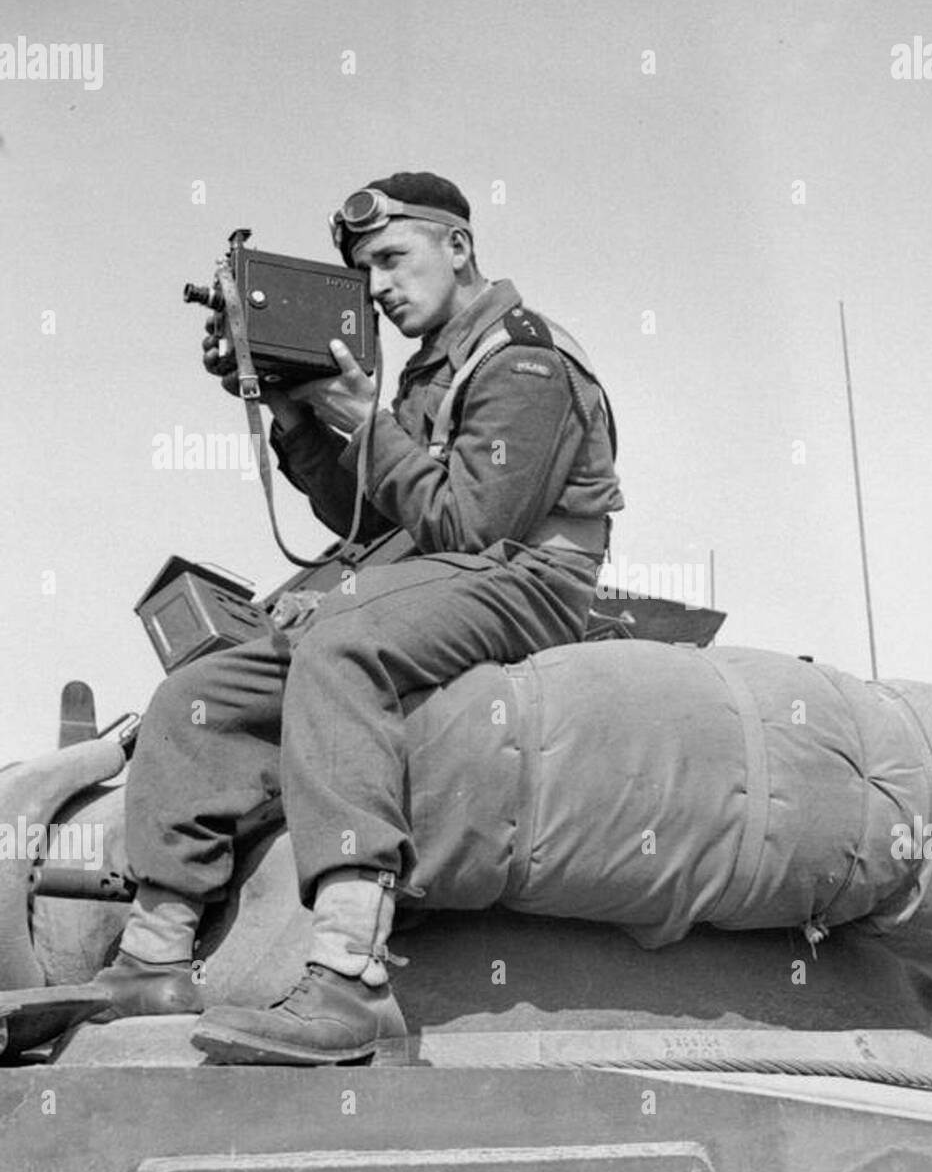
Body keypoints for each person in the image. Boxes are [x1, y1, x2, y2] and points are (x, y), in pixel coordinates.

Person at [95, 171, 624, 1063]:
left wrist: (368, 421)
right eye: (365, 271)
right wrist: (298, 416)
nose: (378, 286)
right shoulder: (429, 368)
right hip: (428, 571)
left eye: (392, 258)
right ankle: (153, 951)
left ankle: (350, 975)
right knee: (207, 681)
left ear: (457, 247)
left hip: (527, 578)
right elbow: (371, 517)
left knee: (338, 645)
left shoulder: (526, 359)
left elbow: (474, 523)